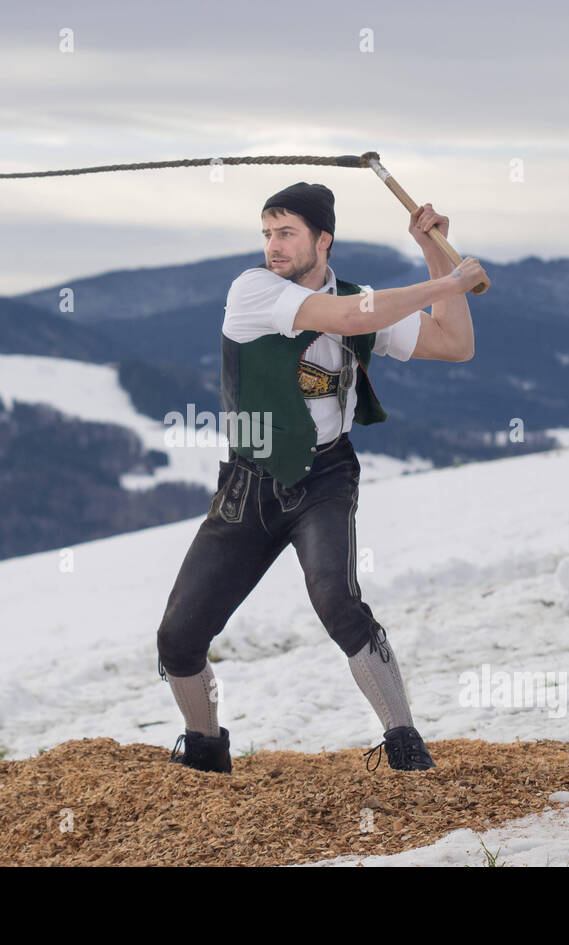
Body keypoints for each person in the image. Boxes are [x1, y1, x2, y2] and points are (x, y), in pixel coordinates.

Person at [155, 181, 486, 773]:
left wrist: (436, 251)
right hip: (248, 486)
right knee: (178, 637)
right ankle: (206, 749)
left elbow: (454, 344)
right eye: (267, 233)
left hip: (325, 478)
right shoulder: (253, 291)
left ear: (323, 240)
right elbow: (341, 314)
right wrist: (446, 282)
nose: (272, 246)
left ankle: (405, 745)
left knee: (337, 600)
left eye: (286, 233)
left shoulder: (364, 301)